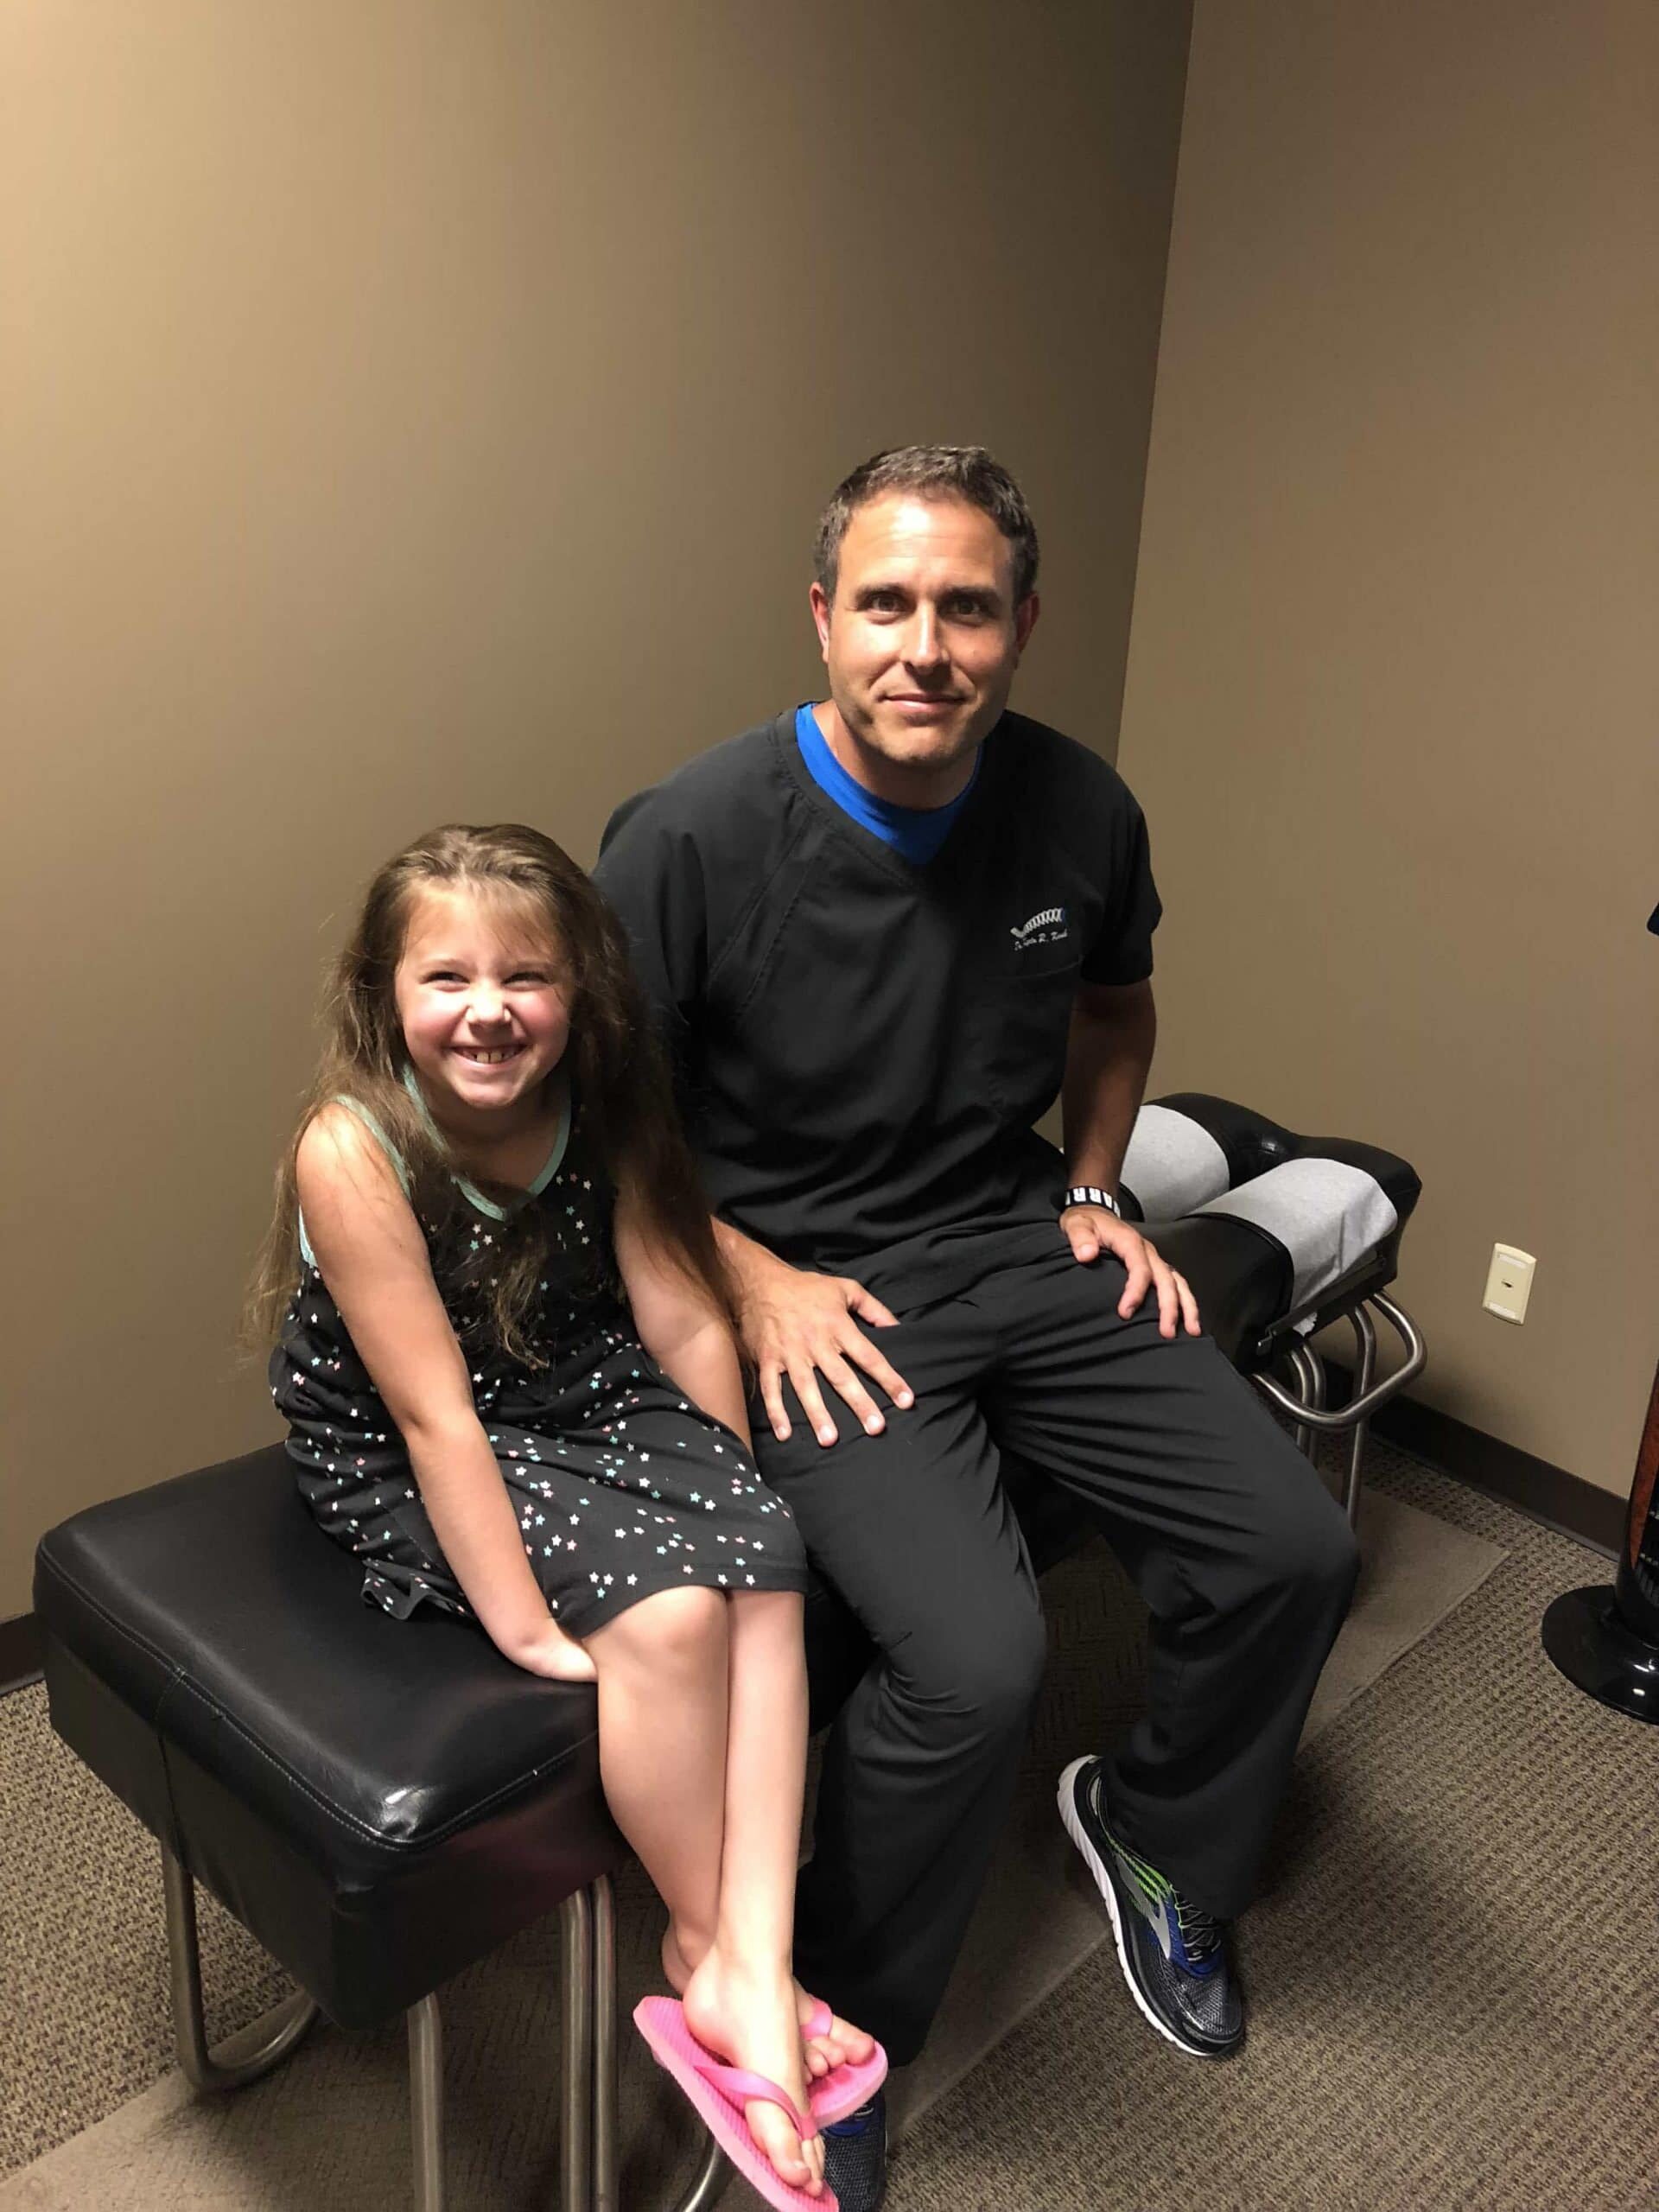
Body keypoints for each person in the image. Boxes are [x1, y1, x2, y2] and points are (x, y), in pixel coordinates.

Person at [594, 447, 1362, 2205]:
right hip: (810, 1286)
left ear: (1024, 623)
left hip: (1018, 1230)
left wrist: (1097, 1186)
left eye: (964, 607)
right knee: (976, 1656)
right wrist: (743, 1269)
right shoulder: (694, 834)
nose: (921, 645)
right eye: (885, 602)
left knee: (1294, 1551)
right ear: (821, 616)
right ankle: (832, 2023)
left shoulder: (1083, 808)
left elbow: (1116, 1004)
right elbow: (601, 1125)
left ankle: (1162, 1835)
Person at [250, 823, 884, 2209]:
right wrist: (525, 1624)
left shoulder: (609, 1100)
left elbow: (673, 1305)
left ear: (578, 992)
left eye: (527, 977)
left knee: (762, 1562)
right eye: (449, 978)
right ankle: (714, 1948)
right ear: (384, 992)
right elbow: (432, 1420)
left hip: (578, 1383)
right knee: (663, 1615)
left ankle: (742, 1968)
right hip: (413, 1440)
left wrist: (727, 1487)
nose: (491, 1010)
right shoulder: (351, 1150)